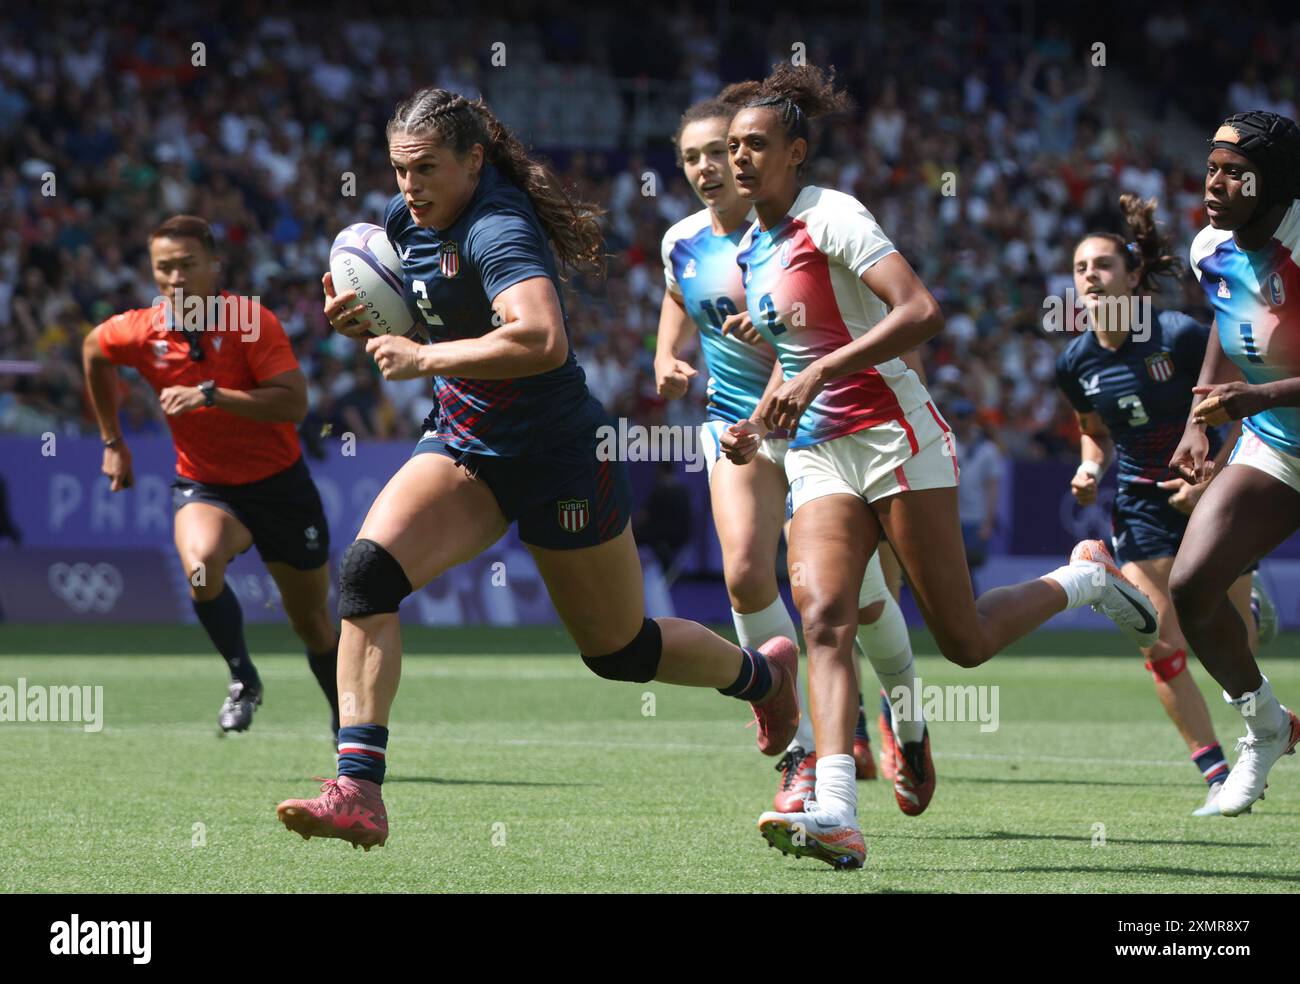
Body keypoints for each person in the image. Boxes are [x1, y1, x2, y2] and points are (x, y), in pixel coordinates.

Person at [275, 88, 802, 851]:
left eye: (424, 169)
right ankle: (357, 789)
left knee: (620, 652)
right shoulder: (405, 221)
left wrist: (425, 356)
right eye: (397, 170)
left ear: (473, 161)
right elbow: (421, 305)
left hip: (559, 459)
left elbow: (542, 339)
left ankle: (763, 678)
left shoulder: (499, 227)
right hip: (465, 447)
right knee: (364, 576)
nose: (408, 187)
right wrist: (365, 314)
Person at [720, 63, 1158, 869]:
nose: (739, 159)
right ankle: (837, 812)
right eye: (733, 146)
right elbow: (797, 353)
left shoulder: (835, 215)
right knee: (822, 616)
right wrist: (758, 417)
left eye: (757, 145)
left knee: (964, 642)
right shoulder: (749, 246)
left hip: (896, 437)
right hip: (819, 453)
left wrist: (818, 374)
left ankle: (1086, 579)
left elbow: (921, 311)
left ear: (797, 152)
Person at [658, 88, 928, 814]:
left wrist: (783, 358)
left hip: (818, 419)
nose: (713, 167)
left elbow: (835, 332)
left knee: (863, 597)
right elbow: (680, 296)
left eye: (724, 150)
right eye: (694, 158)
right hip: (735, 422)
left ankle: (906, 714)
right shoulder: (683, 240)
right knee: (746, 572)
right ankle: (802, 747)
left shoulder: (808, 224)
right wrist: (665, 354)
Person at [82, 215, 340, 736]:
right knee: (200, 568)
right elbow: (93, 351)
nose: (175, 279)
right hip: (207, 486)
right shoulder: (142, 329)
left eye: (186, 265)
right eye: (164, 268)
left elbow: (292, 404)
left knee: (311, 622)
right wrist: (113, 443)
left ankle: (347, 723)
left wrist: (211, 395)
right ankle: (244, 678)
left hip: (280, 487)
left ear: (214, 266)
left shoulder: (252, 322)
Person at [1056, 193, 1260, 816]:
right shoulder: (1075, 361)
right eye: (1080, 268)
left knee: (1231, 642)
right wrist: (1091, 465)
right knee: (1159, 639)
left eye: (1103, 266)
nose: (1090, 276)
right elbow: (1093, 427)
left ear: (1134, 275)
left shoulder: (1182, 334)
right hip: (1140, 504)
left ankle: (1260, 737)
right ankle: (1216, 774)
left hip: (1214, 492)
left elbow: (1251, 406)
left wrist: (1213, 478)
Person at [1168, 110, 1300, 817]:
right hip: (1281, 447)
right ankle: (1267, 729)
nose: (1214, 183)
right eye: (1211, 168)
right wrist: (1199, 416)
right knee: (1191, 588)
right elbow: (1227, 313)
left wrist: (1256, 395)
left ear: (1271, 183)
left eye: (1232, 172)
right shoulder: (1210, 247)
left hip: (1268, 414)